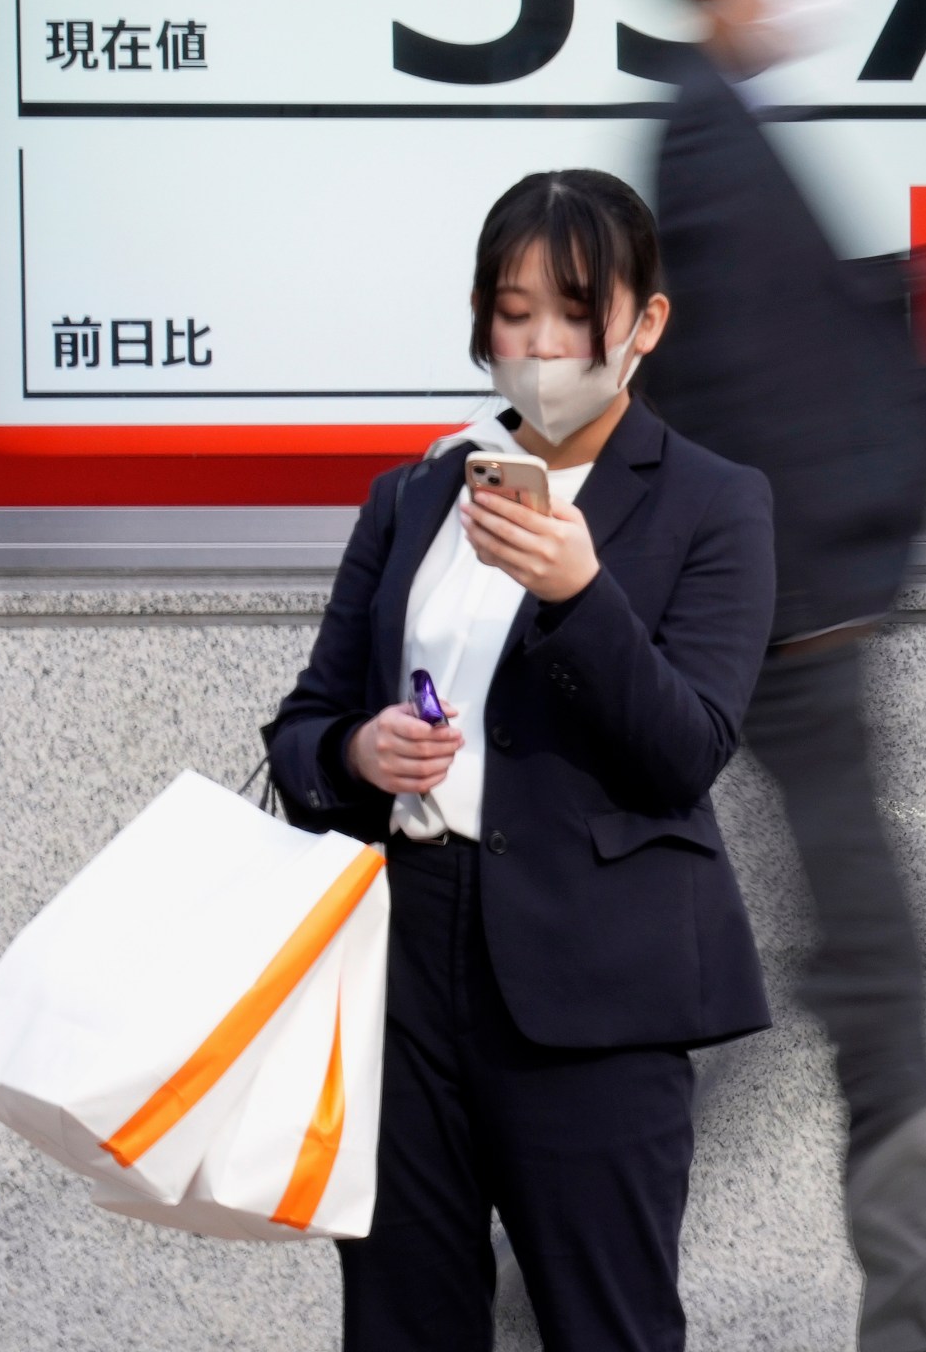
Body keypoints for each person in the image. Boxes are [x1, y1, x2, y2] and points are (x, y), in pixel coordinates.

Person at [264, 168, 778, 1352]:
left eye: (573, 308)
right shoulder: (414, 494)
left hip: (596, 977)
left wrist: (580, 592)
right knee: (402, 1324)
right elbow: (302, 729)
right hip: (401, 968)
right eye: (511, 309)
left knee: (608, 1324)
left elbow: (684, 752)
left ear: (644, 324)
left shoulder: (713, 502)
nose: (539, 342)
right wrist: (360, 748)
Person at [638, 0, 926, 1351]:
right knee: (866, 980)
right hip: (794, 649)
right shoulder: (708, 143)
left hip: (790, 640)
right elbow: (745, 407)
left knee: (829, 986)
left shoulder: (721, 126)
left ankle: (544, 1286)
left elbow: (777, 374)